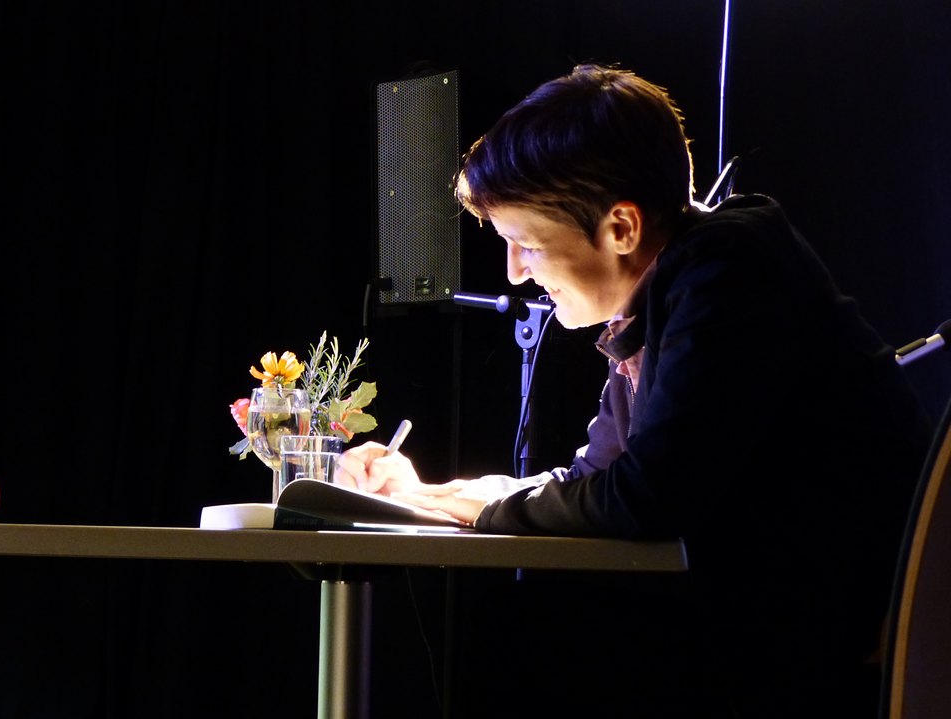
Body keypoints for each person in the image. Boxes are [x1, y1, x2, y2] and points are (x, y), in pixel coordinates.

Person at [337, 63, 931, 718]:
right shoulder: (664, 296)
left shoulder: (728, 274)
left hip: (851, 664)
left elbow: (645, 497)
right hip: (782, 643)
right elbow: (596, 479)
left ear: (621, 228)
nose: (514, 272)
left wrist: (467, 508)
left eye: (525, 244)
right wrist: (430, 493)